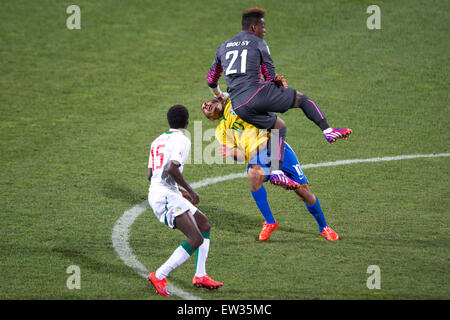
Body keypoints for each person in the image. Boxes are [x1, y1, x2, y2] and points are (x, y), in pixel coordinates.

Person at [206, 7, 351, 189]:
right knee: (301, 99)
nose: (264, 30)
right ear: (253, 27)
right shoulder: (259, 43)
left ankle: (276, 172)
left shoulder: (223, 47)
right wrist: (277, 85)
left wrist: (220, 96)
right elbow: (269, 74)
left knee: (278, 126)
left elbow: (211, 79)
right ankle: (328, 131)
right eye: (262, 26)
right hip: (257, 93)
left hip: (239, 105)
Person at [201, 97, 340, 242]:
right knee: (253, 175)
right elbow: (241, 156)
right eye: (204, 109)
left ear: (217, 101)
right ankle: (270, 221)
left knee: (303, 191)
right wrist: (231, 153)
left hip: (276, 145)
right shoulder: (221, 130)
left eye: (206, 103)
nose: (205, 105)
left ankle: (324, 227)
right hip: (257, 157)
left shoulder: (236, 101)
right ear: (211, 119)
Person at [147, 105, 223, 296]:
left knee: (204, 224)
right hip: (165, 196)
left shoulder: (157, 140)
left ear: (169, 121)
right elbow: (172, 169)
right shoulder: (182, 140)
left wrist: (178, 191)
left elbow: (150, 174)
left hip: (163, 192)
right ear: (187, 121)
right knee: (195, 238)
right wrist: (190, 191)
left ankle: (200, 275)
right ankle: (159, 275)